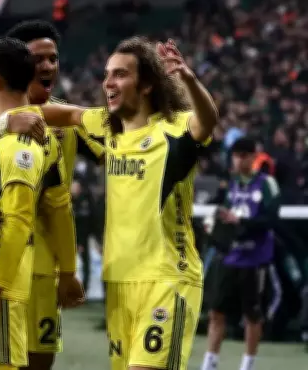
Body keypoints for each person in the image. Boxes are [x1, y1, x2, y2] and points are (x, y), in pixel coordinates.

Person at [40, 38, 219, 370]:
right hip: (119, 280)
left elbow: (207, 120)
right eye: (107, 74)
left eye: (120, 74)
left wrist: (189, 80)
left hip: (166, 277)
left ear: (147, 85)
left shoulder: (174, 128)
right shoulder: (108, 128)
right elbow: (67, 114)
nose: (108, 82)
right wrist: (4, 117)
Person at [0, 20, 99, 370]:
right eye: (37, 58)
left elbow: (57, 206)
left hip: (27, 269)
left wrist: (67, 271)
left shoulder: (53, 127)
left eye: (53, 59)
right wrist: (4, 122)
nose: (47, 66)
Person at [201, 137, 281, 370]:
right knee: (216, 311)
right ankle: (210, 362)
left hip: (254, 259)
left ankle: (247, 364)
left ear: (253, 157)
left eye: (243, 155)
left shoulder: (266, 184)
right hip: (230, 257)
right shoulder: (231, 183)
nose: (238, 160)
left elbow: (272, 219)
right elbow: (224, 211)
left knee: (252, 315)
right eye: (235, 156)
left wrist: (241, 221)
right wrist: (217, 221)